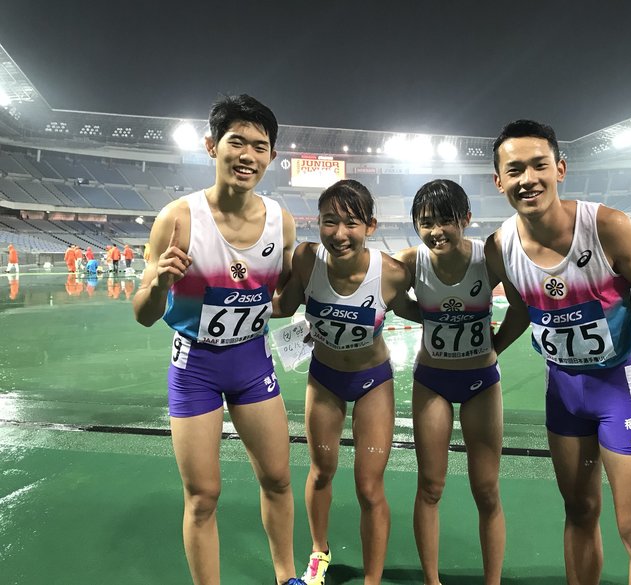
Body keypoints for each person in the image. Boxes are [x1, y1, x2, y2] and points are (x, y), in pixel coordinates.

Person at [486, 119, 631, 585]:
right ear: (499, 181)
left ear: (560, 168)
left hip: (619, 389)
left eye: (539, 165)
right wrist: (486, 351)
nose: (527, 179)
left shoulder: (606, 226)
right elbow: (519, 309)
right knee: (579, 512)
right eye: (514, 171)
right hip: (565, 393)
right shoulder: (501, 246)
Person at [132, 93, 305, 585]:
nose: (248, 154)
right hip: (195, 371)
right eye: (237, 142)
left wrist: (313, 281)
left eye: (260, 145)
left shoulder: (280, 221)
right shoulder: (178, 220)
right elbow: (144, 315)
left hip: (253, 365)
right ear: (212, 146)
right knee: (203, 496)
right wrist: (160, 282)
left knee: (276, 479)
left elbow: (282, 304)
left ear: (271, 156)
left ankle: (287, 576)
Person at [273, 179, 416, 585]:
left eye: (350, 223)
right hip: (324, 380)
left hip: (373, 383)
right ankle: (320, 553)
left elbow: (422, 309)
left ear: (369, 226)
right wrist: (232, 296)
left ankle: (372, 578)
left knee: (370, 487)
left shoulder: (391, 274)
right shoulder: (306, 260)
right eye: (329, 221)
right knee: (321, 471)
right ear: (316, 223)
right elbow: (284, 304)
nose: (339, 234)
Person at [394, 179, 526, 585]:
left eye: (446, 221)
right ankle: (432, 581)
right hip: (431, 382)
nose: (437, 231)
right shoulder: (409, 261)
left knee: (486, 491)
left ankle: (492, 581)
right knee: (430, 487)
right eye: (427, 222)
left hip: (481, 384)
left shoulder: (487, 259)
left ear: (466, 219)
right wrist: (431, 320)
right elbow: (396, 302)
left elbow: (522, 310)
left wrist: (492, 350)